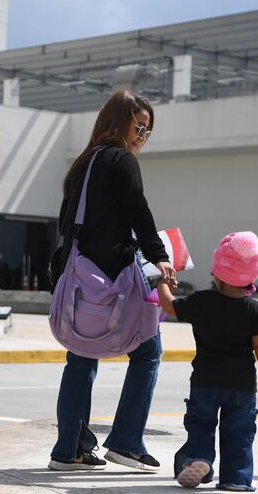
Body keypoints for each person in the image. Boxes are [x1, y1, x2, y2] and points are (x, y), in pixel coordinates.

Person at [47, 90, 175, 472]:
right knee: (148, 352)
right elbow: (139, 211)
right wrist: (159, 256)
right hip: (115, 280)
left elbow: (66, 224)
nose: (141, 136)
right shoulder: (122, 161)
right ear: (117, 122)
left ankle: (69, 448)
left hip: (78, 285)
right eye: (138, 127)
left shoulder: (81, 164)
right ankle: (125, 442)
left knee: (81, 357)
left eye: (147, 131)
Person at [156, 231, 258, 491]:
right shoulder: (255, 310)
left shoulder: (202, 301)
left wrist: (162, 282)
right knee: (238, 434)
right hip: (242, 386)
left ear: (217, 273)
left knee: (201, 424)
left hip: (205, 381)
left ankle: (199, 458)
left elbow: (169, 307)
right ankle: (236, 479)